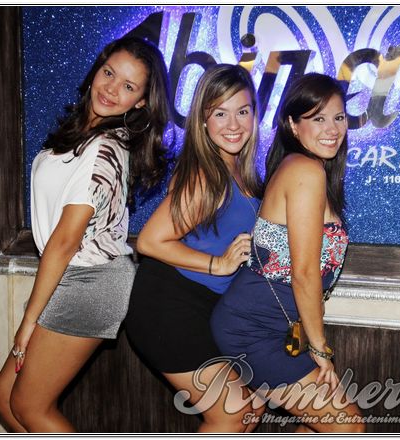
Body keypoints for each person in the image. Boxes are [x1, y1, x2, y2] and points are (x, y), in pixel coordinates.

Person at [0, 36, 170, 432]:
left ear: (141, 102)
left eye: (128, 86)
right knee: (4, 397)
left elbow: (65, 241)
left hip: (91, 281)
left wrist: (28, 321)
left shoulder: (104, 149)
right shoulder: (81, 135)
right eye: (109, 73)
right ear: (96, 70)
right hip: (69, 274)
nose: (111, 89)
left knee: (30, 406)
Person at [210, 73, 364, 433]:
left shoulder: (305, 169)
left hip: (274, 325)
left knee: (314, 426)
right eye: (318, 118)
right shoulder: (305, 171)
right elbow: (304, 274)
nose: (332, 129)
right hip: (253, 328)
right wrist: (321, 349)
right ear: (293, 125)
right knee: (347, 427)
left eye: (339, 117)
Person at [124, 64, 263, 433]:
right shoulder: (206, 176)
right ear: (203, 120)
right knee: (233, 413)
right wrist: (219, 264)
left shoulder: (242, 175)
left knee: (250, 409)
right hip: (170, 306)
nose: (233, 124)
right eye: (220, 113)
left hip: (207, 309)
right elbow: (150, 241)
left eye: (242, 111)